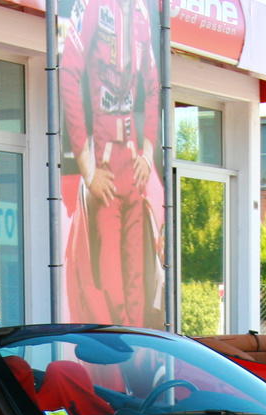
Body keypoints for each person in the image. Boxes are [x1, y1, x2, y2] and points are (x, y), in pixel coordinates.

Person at [60, 0, 161, 328]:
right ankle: (116, 371)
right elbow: (68, 74)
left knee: (137, 289)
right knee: (111, 290)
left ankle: (138, 370)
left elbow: (155, 87)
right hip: (104, 167)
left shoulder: (143, 13)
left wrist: (146, 151)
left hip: (131, 167)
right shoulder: (90, 5)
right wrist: (87, 167)